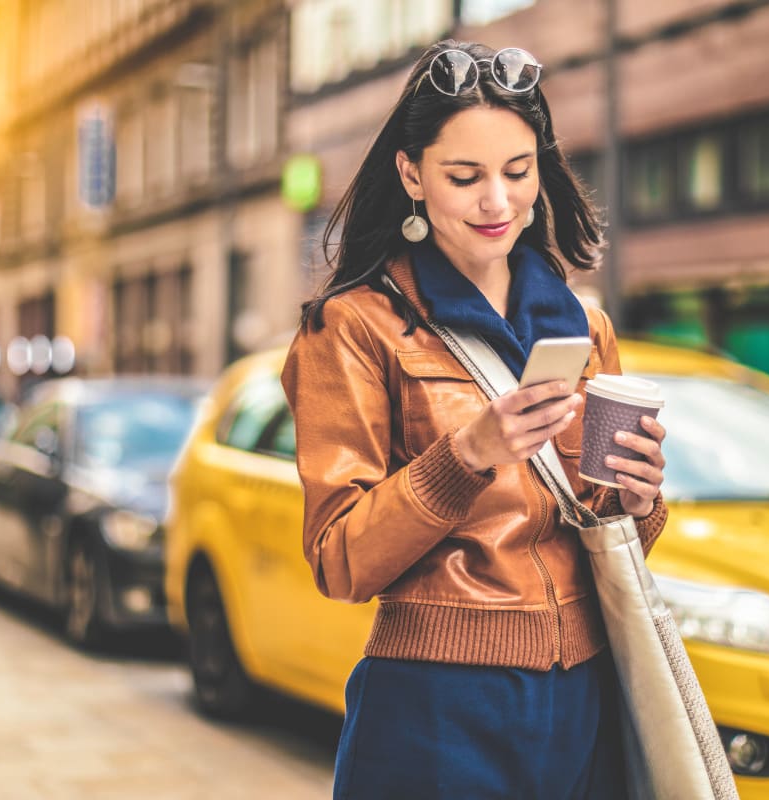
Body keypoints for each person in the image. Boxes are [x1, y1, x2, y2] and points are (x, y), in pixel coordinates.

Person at [282, 40, 668, 800]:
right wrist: (468, 454)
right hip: (435, 711)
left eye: (517, 172)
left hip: (583, 698)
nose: (498, 201)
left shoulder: (583, 328)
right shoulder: (353, 327)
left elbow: (604, 535)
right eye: (466, 177)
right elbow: (339, 560)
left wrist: (637, 499)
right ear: (411, 175)